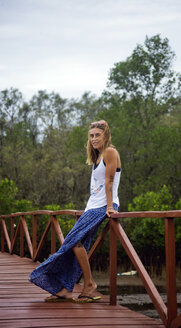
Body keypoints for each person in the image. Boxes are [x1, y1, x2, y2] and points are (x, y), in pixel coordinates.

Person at [29, 120, 121, 303]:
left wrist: (110, 207)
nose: (94, 139)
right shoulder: (97, 156)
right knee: (75, 244)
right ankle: (65, 289)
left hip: (103, 206)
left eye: (97, 135)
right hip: (92, 206)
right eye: (91, 135)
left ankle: (89, 285)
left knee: (73, 241)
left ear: (106, 136)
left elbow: (110, 182)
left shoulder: (110, 152)